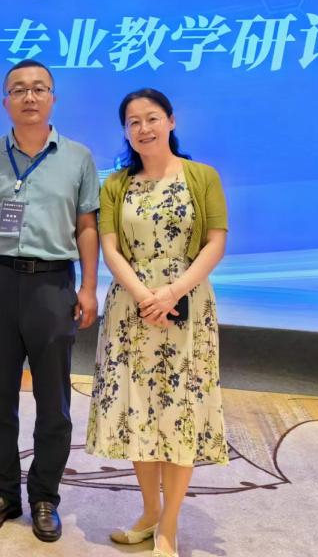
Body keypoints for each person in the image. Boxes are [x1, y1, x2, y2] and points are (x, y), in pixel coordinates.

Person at [86, 88, 228, 557]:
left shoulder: (202, 176)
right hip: (131, 310)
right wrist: (145, 295)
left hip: (186, 308)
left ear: (170, 120)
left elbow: (215, 243)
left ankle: (169, 524)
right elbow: (110, 248)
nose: (143, 128)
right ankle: (149, 512)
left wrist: (171, 292)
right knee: (139, 411)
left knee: (180, 410)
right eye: (133, 122)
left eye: (151, 118)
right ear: (125, 131)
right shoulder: (116, 184)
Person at [0, 60, 99, 542]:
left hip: (52, 285)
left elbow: (87, 225)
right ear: (6, 101)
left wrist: (88, 287)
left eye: (39, 88)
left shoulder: (78, 157)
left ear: (53, 99)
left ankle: (45, 497)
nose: (29, 97)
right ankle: (3, 492)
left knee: (53, 402)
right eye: (18, 89)